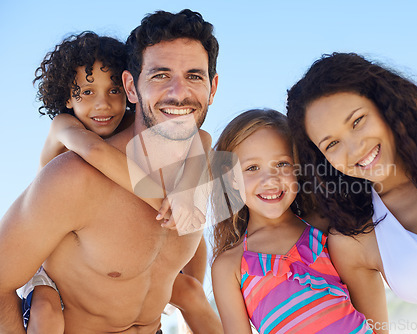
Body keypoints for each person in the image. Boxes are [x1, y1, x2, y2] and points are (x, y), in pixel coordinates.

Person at [0, 9, 222, 334]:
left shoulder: (203, 166)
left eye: (194, 75)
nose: (179, 92)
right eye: (160, 75)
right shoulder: (74, 177)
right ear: (131, 86)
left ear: (212, 88)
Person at [286, 52, 417, 333]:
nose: (355, 149)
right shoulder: (356, 241)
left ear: (386, 105)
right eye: (332, 144)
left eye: (357, 121)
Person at [211, 109, 374, 333]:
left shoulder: (325, 228)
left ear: (298, 168)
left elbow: (370, 313)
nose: (270, 180)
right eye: (252, 168)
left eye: (281, 164)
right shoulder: (229, 266)